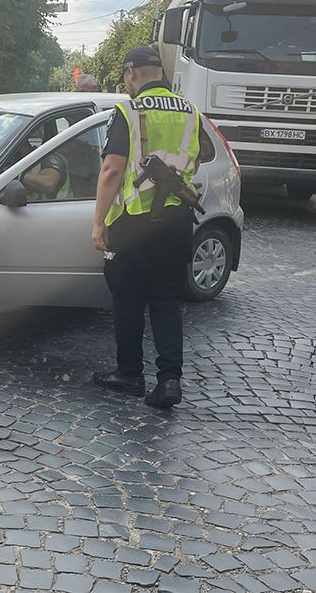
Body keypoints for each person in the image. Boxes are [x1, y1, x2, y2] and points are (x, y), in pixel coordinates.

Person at [90, 46, 205, 408]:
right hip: (177, 220)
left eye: (125, 76)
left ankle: (129, 374)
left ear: (132, 73)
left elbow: (111, 170)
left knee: (128, 298)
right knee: (167, 301)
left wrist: (98, 222)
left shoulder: (128, 110)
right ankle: (169, 380)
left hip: (134, 222)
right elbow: (195, 164)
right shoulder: (190, 111)